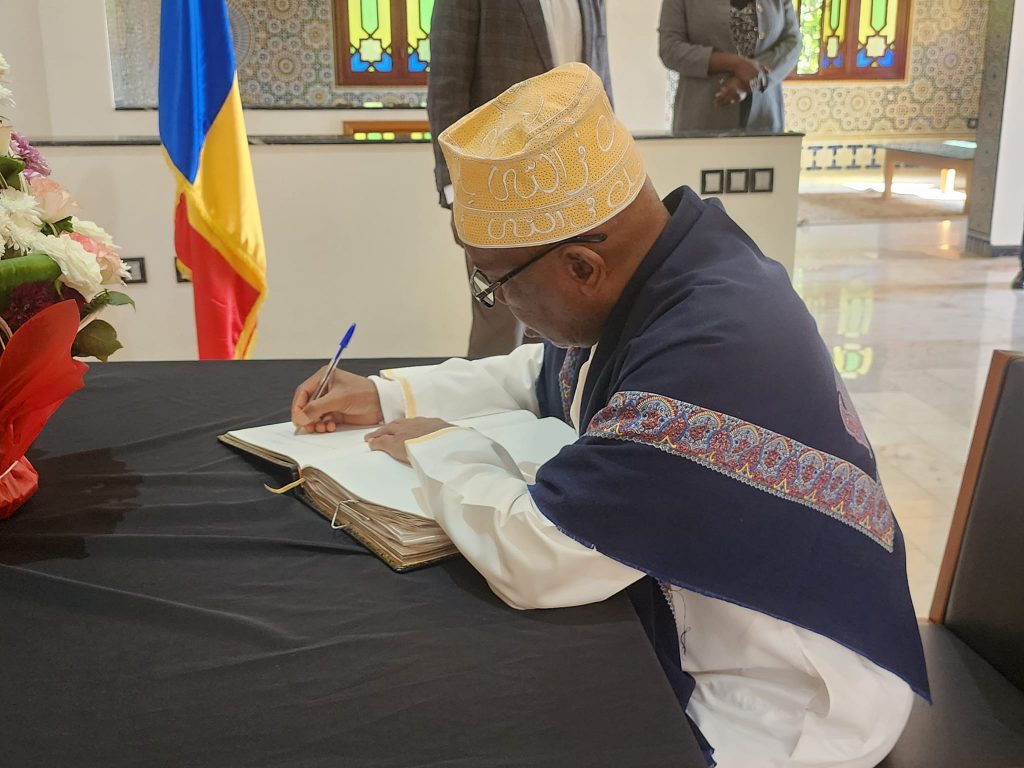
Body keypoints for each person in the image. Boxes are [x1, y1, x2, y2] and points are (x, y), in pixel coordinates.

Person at [293, 64, 929, 767]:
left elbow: (536, 557)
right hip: (719, 624)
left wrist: (439, 446)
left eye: (494, 281)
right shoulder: (675, 265)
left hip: (789, 696)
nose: (496, 302)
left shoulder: (710, 353)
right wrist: (391, 397)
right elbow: (547, 376)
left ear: (580, 267)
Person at [427, 0, 612, 359]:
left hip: (576, 181)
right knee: (498, 317)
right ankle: (484, 415)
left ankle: (560, 408)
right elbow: (447, 88)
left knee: (571, 311)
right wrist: (456, 190)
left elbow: (599, 83)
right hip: (498, 185)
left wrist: (604, 167)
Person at [658, 0, 800, 133]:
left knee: (764, 160)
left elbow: (793, 42)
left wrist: (752, 81)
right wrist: (735, 64)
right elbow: (670, 49)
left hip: (764, 119)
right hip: (702, 119)